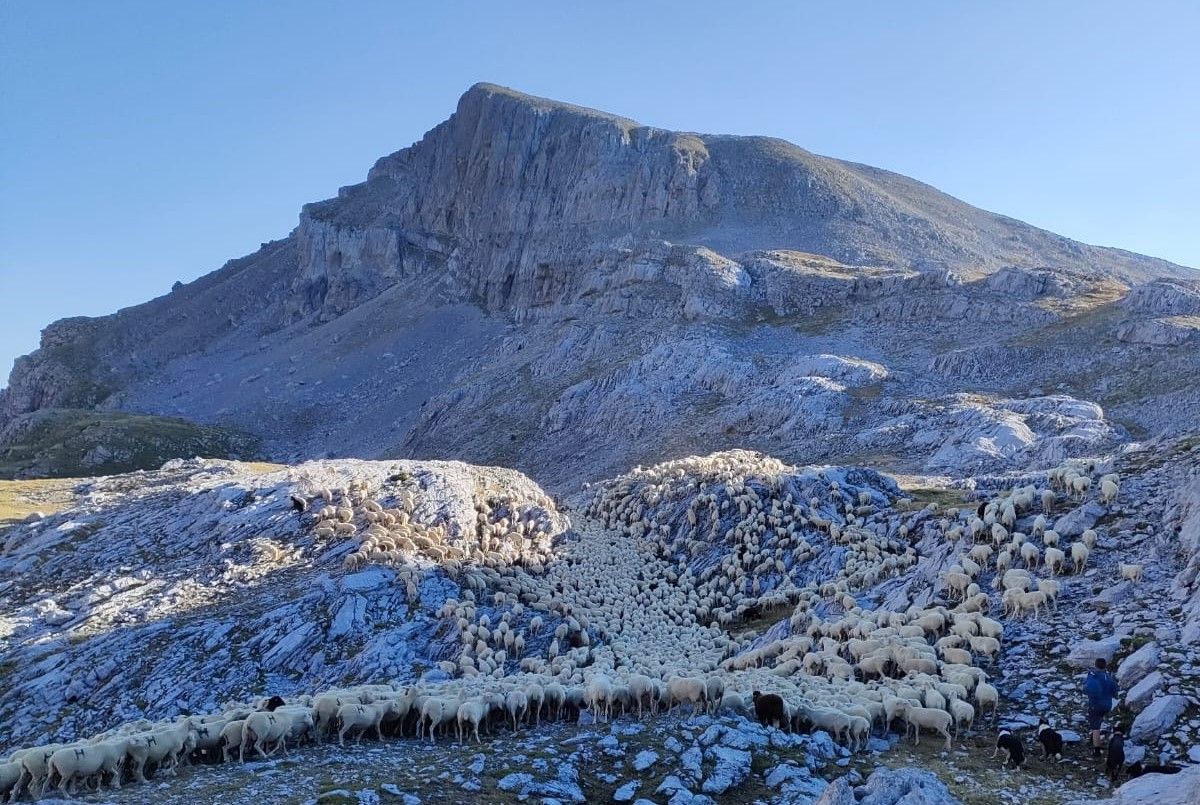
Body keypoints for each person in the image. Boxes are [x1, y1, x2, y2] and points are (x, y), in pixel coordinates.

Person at [1083, 657, 1118, 757]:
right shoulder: (1108, 677)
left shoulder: (1093, 675)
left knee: (1095, 727)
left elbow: (1086, 688)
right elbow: (1115, 691)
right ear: (1105, 666)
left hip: (1095, 704)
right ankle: (1093, 739)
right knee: (1098, 720)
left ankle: (1097, 750)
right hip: (1107, 705)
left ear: (1095, 665)